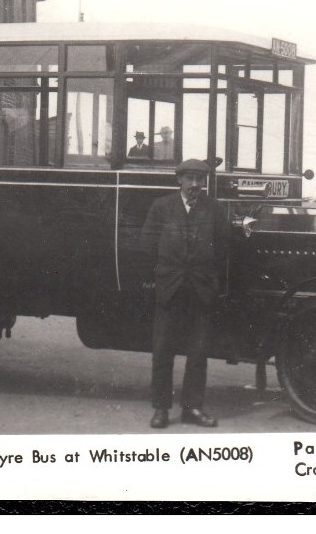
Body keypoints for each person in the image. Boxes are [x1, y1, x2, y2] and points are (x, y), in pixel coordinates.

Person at [139, 158, 227, 429]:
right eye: (190, 179)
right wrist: (154, 282)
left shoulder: (214, 209)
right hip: (169, 289)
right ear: (179, 180)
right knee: (163, 351)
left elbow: (224, 250)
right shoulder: (162, 207)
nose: (195, 185)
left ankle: (193, 408)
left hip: (200, 291)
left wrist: (214, 284)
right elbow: (147, 246)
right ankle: (161, 409)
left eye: (200, 180)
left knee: (198, 353)